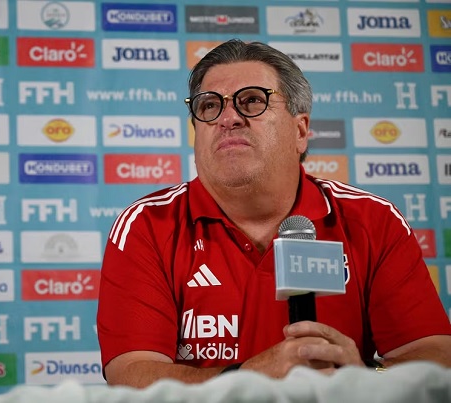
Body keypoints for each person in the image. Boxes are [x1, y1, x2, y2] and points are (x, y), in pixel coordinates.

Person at [96, 39, 451, 388]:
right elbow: (131, 374)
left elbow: (434, 353)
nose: (228, 118)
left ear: (300, 131)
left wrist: (363, 376)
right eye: (210, 105)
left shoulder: (373, 220)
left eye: (252, 100)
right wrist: (250, 379)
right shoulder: (146, 226)